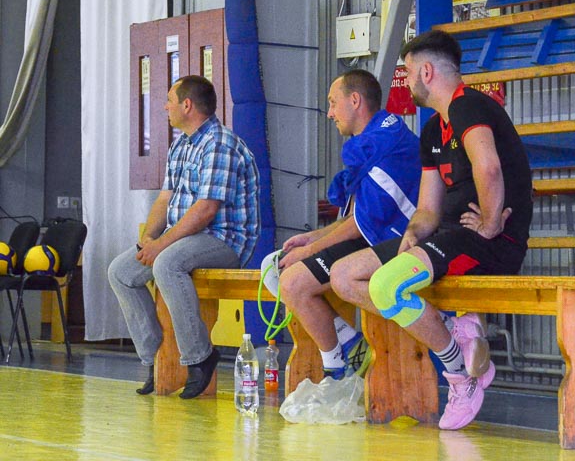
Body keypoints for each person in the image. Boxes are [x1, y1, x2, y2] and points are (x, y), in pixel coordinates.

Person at [330, 30, 533, 429]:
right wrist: (412, 235)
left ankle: (459, 377)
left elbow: (488, 166)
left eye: (406, 71)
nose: (405, 81)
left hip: (490, 243)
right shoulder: (431, 132)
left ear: (426, 71)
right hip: (448, 238)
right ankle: (450, 335)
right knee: (344, 275)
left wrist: (491, 222)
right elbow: (427, 208)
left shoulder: (469, 107)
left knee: (386, 286)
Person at [108, 75, 260, 399]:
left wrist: (161, 246)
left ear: (187, 105)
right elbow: (164, 200)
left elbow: (206, 210)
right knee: (121, 272)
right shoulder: (180, 145)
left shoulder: (220, 144)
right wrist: (148, 239)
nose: (164, 107)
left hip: (223, 240)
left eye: (169, 100)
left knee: (166, 264)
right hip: (183, 240)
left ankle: (200, 358)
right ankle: (155, 359)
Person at [277, 69, 421, 379]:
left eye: (332, 103)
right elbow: (355, 216)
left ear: (354, 100)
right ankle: (348, 341)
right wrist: (312, 238)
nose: (329, 113)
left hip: (401, 241)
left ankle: (336, 370)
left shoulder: (383, 143)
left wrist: (311, 249)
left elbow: (362, 224)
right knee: (273, 267)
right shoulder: (372, 138)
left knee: (292, 281)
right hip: (375, 238)